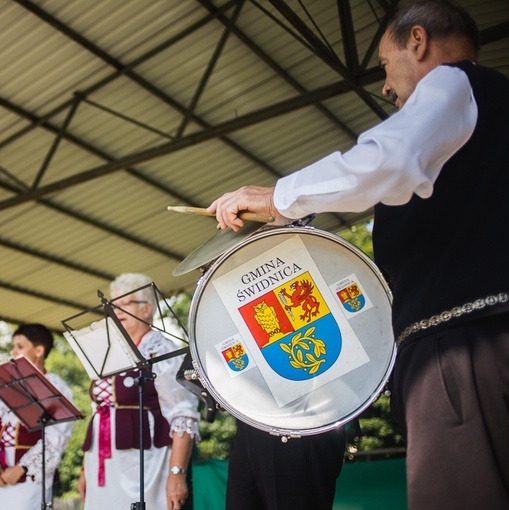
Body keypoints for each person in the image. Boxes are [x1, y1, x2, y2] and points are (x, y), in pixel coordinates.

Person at [207, 1, 509, 508]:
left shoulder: (453, 82)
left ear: (418, 41)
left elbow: (388, 160)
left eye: (386, 65)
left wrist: (279, 195)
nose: (386, 86)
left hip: (463, 347)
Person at [77, 273, 200, 510]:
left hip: (146, 463)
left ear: (146, 309)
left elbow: (183, 414)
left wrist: (177, 473)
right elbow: (99, 412)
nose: (116, 310)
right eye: (113, 304)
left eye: (125, 303)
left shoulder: (162, 351)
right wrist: (85, 469)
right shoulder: (108, 353)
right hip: (104, 463)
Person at [0, 324, 74, 510]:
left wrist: (22, 468)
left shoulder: (56, 386)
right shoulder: (1, 384)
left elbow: (56, 438)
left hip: (28, 480)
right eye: (13, 346)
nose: (13, 351)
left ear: (39, 350)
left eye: (20, 346)